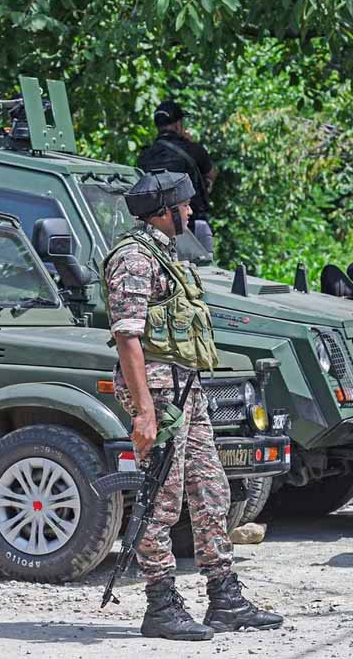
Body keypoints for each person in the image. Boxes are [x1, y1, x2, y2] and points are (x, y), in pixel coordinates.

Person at [102, 170, 281, 640]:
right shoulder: (134, 259)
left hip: (186, 387)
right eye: (183, 205)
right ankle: (160, 604)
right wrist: (144, 411)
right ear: (164, 211)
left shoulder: (167, 255)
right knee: (160, 497)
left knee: (211, 490)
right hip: (158, 392)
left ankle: (224, 598)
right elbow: (128, 337)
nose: (190, 211)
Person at [138, 100, 217, 254]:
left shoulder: (145, 156)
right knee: (203, 267)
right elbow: (212, 174)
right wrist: (192, 144)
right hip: (192, 226)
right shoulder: (194, 150)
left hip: (157, 229)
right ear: (177, 125)